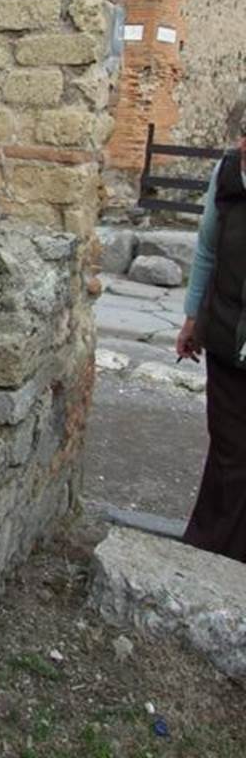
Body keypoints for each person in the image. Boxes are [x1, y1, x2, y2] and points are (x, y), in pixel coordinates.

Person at [176, 119, 246, 562]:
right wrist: (191, 320)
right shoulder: (227, 175)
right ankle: (209, 550)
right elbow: (206, 248)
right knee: (228, 447)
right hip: (224, 332)